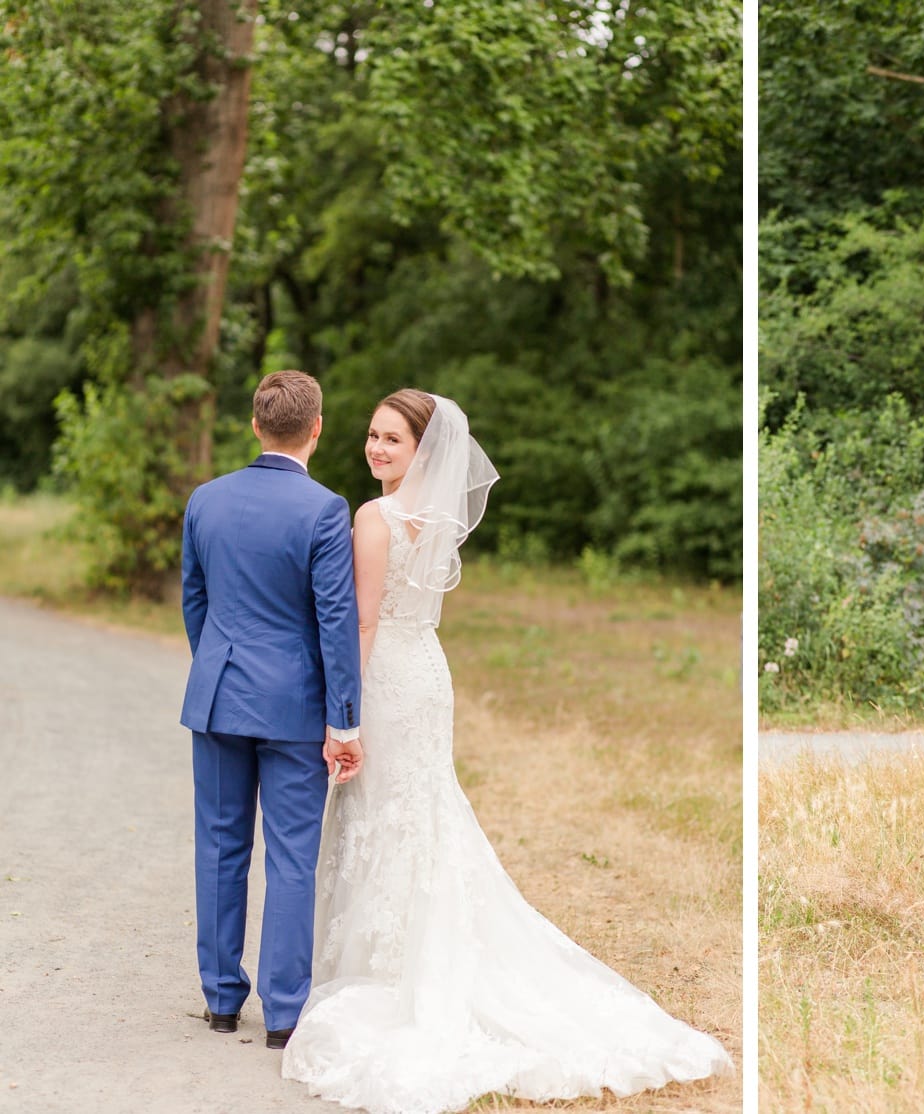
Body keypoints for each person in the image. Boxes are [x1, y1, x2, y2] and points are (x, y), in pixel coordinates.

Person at [281, 389, 732, 1112]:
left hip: (391, 677)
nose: (376, 450)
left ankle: (390, 970)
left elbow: (362, 622)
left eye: (393, 440)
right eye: (372, 436)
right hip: (428, 669)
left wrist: (345, 715)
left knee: (388, 809)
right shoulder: (434, 518)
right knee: (419, 810)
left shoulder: (374, 518)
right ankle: (405, 952)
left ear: (422, 451)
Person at [180, 370, 364, 1050]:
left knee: (220, 847)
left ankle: (221, 999)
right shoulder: (324, 509)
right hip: (294, 704)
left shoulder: (206, 499)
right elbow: (335, 621)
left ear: (255, 426)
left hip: (220, 696)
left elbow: (195, 603)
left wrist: (219, 667)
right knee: (291, 857)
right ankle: (284, 1014)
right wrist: (344, 719)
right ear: (317, 429)